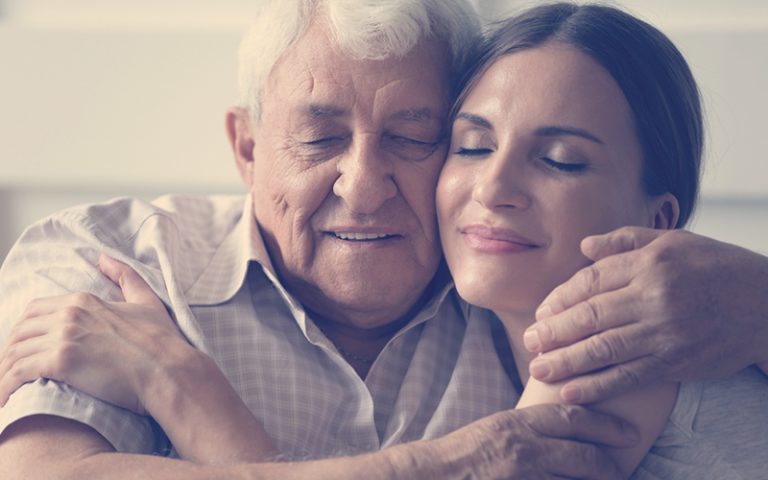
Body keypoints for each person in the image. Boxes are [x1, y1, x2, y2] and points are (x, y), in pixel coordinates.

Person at [0, 0, 766, 478]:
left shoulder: (632, 324)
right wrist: (448, 466)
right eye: (319, 136)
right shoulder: (116, 269)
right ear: (246, 147)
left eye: (414, 136)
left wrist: (188, 397)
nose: (363, 185)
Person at [436, 3, 768, 478]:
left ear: (658, 220)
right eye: (473, 147)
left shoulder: (632, 343)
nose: (492, 189)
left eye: (560, 159)